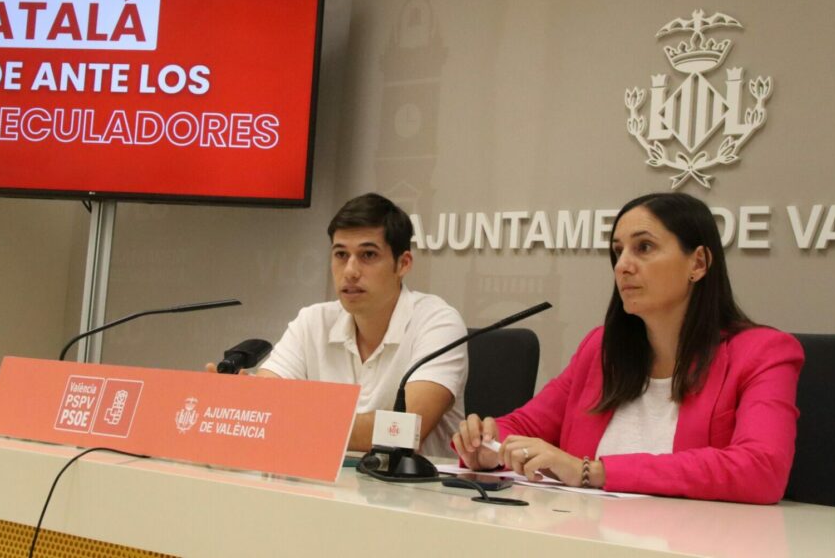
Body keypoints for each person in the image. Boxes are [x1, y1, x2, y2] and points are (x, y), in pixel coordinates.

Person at [453, 192, 803, 504]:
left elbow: (762, 470)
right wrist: (486, 445)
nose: (623, 266)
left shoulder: (764, 353)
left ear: (698, 263)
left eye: (644, 248)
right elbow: (525, 424)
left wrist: (592, 472)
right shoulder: (601, 349)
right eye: (618, 252)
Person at [210, 193, 467, 457]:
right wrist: (239, 401)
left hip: (416, 493)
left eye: (368, 255)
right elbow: (263, 410)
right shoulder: (312, 322)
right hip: (323, 489)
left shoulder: (437, 323)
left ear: (403, 264)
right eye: (341, 255)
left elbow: (405, 430)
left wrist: (288, 417)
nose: (351, 271)